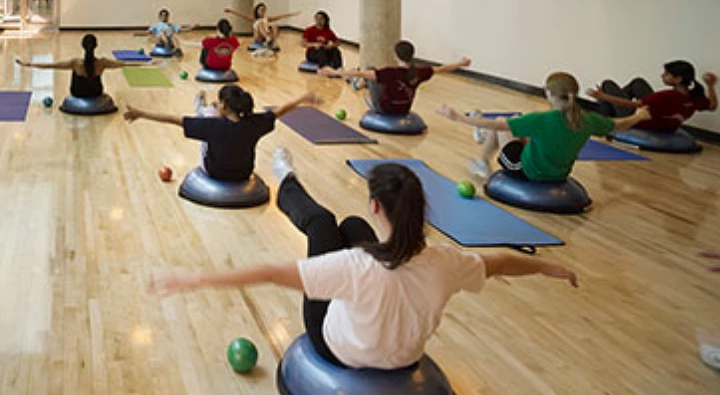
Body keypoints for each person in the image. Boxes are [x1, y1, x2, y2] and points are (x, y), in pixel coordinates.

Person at [150, 150, 578, 370]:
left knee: (320, 224)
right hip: (404, 357)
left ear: (379, 205)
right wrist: (549, 267)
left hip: (338, 351)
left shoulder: (353, 270)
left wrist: (195, 279)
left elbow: (268, 273)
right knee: (350, 225)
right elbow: (501, 261)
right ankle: (290, 179)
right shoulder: (445, 261)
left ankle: (287, 177)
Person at [438, 72, 651, 179]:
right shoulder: (587, 119)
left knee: (501, 123)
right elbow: (618, 125)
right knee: (520, 133)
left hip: (528, 171)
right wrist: (639, 116)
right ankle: (483, 141)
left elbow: (495, 124)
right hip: (559, 174)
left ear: (548, 94)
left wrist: (457, 117)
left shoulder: (541, 119)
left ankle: (483, 161)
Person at [123, 85, 320, 182]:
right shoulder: (255, 123)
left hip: (215, 172)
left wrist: (141, 114)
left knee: (204, 132)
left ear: (224, 105)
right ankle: (204, 109)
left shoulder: (211, 126)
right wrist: (303, 98)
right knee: (208, 124)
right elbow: (279, 111)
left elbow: (173, 119)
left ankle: (202, 108)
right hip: (244, 173)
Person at [322, 40, 470, 114]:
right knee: (374, 77)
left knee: (369, 71)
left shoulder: (390, 72)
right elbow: (442, 68)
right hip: (404, 109)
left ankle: (356, 85)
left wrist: (334, 72)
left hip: (385, 109)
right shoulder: (420, 71)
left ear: (396, 55)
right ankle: (357, 83)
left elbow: (359, 73)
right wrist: (461, 63)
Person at [587, 61, 717, 133]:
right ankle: (609, 109)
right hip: (665, 123)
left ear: (677, 79)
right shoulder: (693, 97)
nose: (662, 76)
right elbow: (712, 106)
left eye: (666, 74)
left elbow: (631, 105)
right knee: (638, 83)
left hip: (640, 120)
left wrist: (603, 96)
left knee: (607, 84)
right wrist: (710, 85)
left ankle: (604, 122)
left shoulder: (666, 96)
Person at [15, 34, 153, 98]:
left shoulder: (75, 63)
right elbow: (125, 64)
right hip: (95, 93)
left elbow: (52, 66)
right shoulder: (103, 63)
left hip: (78, 93)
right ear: (96, 46)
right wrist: (147, 62)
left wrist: (29, 64)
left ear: (82, 46)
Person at [224, 2, 298, 52]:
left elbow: (280, 17)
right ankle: (268, 38)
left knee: (274, 26)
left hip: (266, 35)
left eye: (263, 10)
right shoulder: (254, 19)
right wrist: (231, 11)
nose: (262, 11)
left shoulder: (267, 19)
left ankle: (273, 42)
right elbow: (242, 15)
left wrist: (292, 14)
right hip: (258, 37)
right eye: (260, 10)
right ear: (257, 11)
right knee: (260, 23)